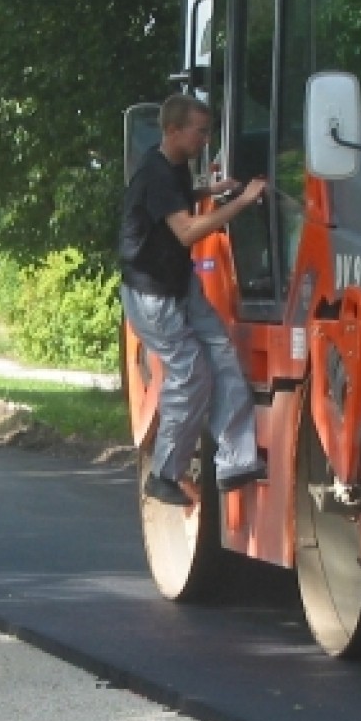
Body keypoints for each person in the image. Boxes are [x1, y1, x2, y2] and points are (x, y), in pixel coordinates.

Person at [120, 92, 268, 506]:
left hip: (179, 283)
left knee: (222, 355)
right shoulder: (156, 174)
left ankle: (237, 462)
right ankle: (164, 473)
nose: (205, 140)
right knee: (191, 375)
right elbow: (186, 232)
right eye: (200, 132)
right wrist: (239, 201)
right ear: (172, 130)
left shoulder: (176, 166)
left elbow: (179, 202)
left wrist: (211, 189)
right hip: (152, 295)